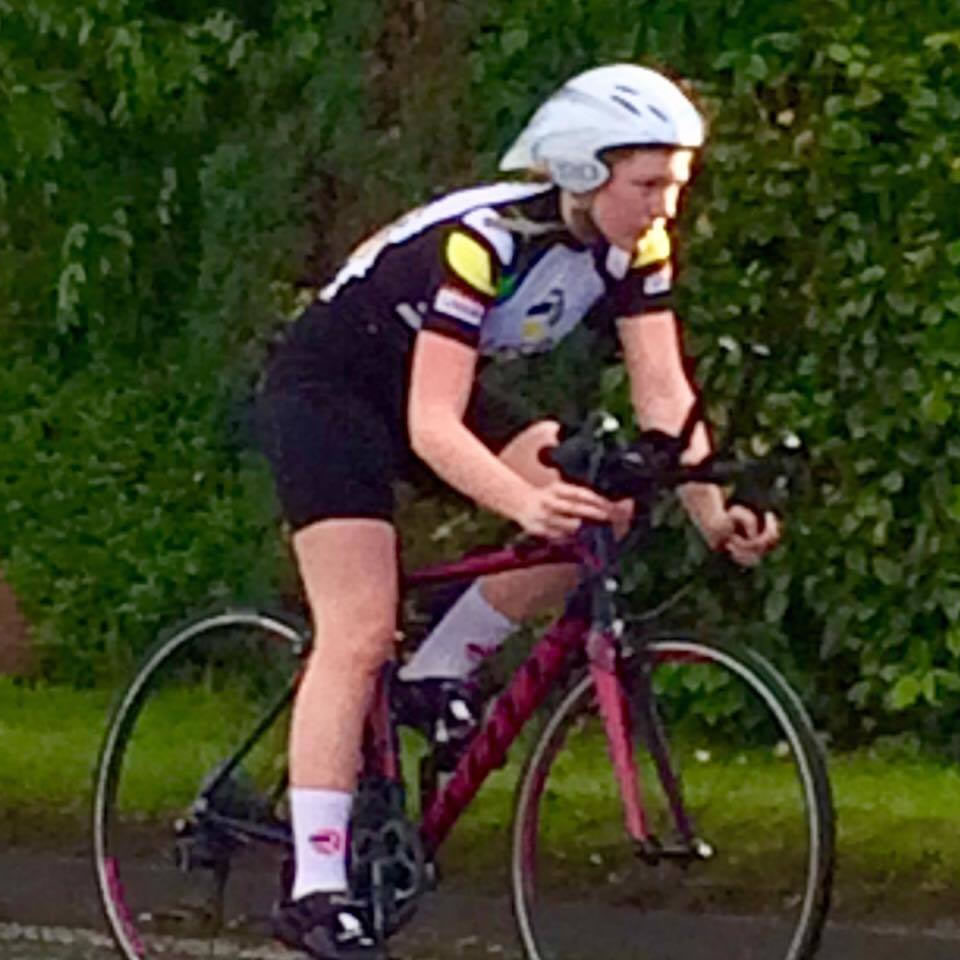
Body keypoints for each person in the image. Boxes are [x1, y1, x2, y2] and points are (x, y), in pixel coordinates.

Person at [257, 63, 780, 958]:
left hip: (433, 391)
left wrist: (710, 511)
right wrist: (527, 502)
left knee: (602, 509)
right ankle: (314, 887)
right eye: (648, 184)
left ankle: (436, 672)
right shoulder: (485, 241)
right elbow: (430, 425)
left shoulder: (635, 247)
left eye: (676, 185)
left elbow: (664, 394)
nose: (665, 206)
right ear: (583, 169)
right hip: (328, 393)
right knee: (359, 626)